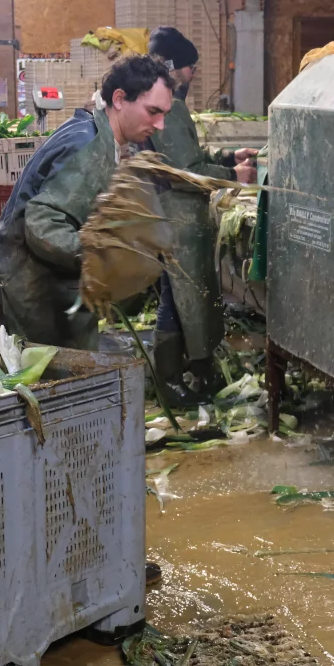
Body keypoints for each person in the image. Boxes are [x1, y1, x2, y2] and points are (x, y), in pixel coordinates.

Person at [0, 54, 175, 352]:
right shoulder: (90, 146)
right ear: (120, 99)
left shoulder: (95, 131)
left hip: (38, 284)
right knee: (57, 378)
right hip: (33, 291)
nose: (160, 125)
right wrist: (102, 254)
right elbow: (43, 222)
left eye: (164, 114)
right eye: (153, 111)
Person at [147, 27, 259, 405]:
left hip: (171, 214)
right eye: (190, 67)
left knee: (179, 296)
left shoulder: (164, 105)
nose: (192, 74)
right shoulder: (167, 107)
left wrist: (227, 157)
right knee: (178, 298)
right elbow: (186, 170)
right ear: (172, 67)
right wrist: (233, 176)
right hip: (175, 216)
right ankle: (171, 381)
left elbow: (189, 155)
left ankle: (183, 371)